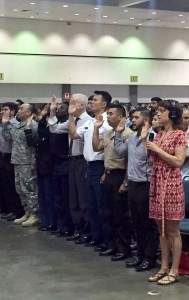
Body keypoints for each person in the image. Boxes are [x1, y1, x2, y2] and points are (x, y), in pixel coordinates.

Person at [146, 100, 187, 285]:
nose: (158, 114)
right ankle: (163, 267)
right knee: (161, 229)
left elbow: (178, 161)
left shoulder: (179, 135)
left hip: (171, 183)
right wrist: (147, 146)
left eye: (162, 111)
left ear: (171, 114)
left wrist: (157, 149)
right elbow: (153, 161)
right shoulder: (159, 134)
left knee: (172, 229)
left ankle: (174, 269)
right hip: (156, 181)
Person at [115, 108, 159, 272]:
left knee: (147, 224)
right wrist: (118, 134)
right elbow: (119, 151)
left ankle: (150, 257)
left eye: (136, 117)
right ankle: (139, 255)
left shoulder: (152, 137)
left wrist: (145, 139)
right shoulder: (133, 138)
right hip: (133, 184)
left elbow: (152, 161)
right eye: (132, 118)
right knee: (136, 223)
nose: (132, 120)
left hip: (145, 184)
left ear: (146, 119)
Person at [69, 90, 112, 249]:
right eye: (91, 100)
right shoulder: (89, 122)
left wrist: (105, 170)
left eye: (94, 100)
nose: (91, 102)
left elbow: (109, 148)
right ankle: (96, 236)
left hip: (101, 165)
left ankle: (107, 240)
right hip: (89, 166)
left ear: (104, 104)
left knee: (102, 206)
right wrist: (71, 117)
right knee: (91, 205)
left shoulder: (108, 122)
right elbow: (73, 135)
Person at [48, 94, 93, 242]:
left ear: (81, 105)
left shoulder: (88, 121)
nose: (69, 105)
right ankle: (77, 228)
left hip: (82, 161)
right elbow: (54, 129)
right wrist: (53, 111)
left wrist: (71, 118)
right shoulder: (71, 120)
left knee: (83, 198)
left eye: (72, 103)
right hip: (71, 161)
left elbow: (76, 137)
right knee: (73, 197)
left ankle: (87, 230)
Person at [92, 104, 133, 261]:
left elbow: (129, 159)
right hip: (109, 175)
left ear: (121, 117)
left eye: (111, 114)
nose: (107, 116)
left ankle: (124, 248)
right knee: (108, 212)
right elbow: (96, 147)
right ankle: (112, 245)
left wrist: (126, 181)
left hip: (120, 176)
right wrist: (96, 128)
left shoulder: (127, 134)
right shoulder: (109, 133)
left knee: (120, 215)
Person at [2, 103, 39, 227]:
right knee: (19, 188)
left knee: (29, 188)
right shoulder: (17, 125)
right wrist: (5, 123)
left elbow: (33, 142)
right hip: (17, 160)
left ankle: (34, 214)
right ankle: (27, 211)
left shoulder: (33, 125)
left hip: (27, 161)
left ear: (29, 113)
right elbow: (8, 137)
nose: (19, 110)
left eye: (22, 109)